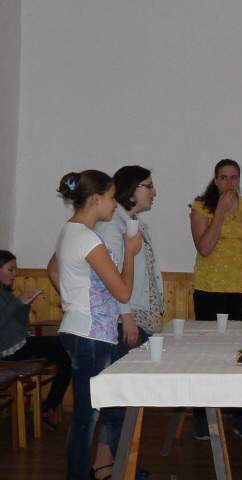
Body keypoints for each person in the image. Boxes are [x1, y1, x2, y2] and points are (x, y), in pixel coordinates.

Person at [47, 170, 142, 480]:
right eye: (112, 197)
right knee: (86, 419)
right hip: (90, 335)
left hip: (85, 330)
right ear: (96, 199)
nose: (115, 204)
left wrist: (72, 301)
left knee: (107, 411)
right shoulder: (87, 238)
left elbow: (53, 269)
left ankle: (116, 469)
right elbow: (123, 292)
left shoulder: (70, 230)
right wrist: (130, 252)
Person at [91, 166, 163, 479]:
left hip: (138, 317)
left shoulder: (133, 223)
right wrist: (127, 317)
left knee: (126, 396)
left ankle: (106, 464)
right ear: (131, 189)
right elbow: (114, 276)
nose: (154, 192)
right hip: (125, 320)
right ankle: (117, 468)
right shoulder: (112, 225)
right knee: (122, 396)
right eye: (148, 186)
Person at [190, 159, 242, 440]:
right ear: (215, 180)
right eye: (223, 178)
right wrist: (220, 211)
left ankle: (240, 417)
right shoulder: (202, 207)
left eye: (234, 177)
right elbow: (204, 248)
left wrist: (238, 260)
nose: (229, 183)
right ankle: (203, 417)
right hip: (209, 289)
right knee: (207, 354)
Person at [0, 250, 72, 430]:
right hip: (10, 350)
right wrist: (17, 303)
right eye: (10, 269)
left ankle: (48, 407)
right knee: (65, 346)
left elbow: (18, 321)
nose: (15, 274)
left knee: (66, 356)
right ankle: (48, 407)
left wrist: (26, 304)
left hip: (21, 344)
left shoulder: (5, 294)